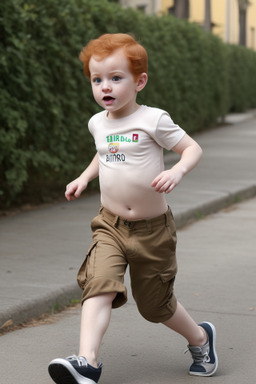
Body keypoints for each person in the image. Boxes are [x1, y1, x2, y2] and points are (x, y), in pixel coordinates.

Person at [48, 33, 218, 384]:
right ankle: (87, 362)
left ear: (139, 81)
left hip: (152, 230)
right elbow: (103, 152)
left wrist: (176, 170)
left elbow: (192, 149)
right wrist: (83, 178)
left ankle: (200, 338)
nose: (104, 87)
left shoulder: (153, 120)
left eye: (115, 78)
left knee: (155, 306)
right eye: (97, 80)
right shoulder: (98, 122)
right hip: (109, 225)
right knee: (99, 283)